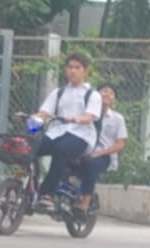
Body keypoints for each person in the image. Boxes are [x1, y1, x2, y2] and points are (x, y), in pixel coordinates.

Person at [29, 53, 99, 205]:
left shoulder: (92, 94)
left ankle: (48, 193)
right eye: (70, 67)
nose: (73, 71)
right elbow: (44, 113)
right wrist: (32, 122)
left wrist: (77, 118)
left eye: (77, 68)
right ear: (65, 70)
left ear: (85, 71)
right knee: (30, 145)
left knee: (62, 149)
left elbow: (90, 116)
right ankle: (28, 185)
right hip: (56, 132)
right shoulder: (58, 92)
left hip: (81, 136)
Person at [75, 83, 127, 215]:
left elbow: (120, 144)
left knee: (90, 165)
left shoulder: (117, 118)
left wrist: (99, 153)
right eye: (104, 91)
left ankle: (85, 203)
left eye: (110, 92)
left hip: (103, 156)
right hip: (83, 150)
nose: (107, 94)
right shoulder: (86, 115)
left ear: (114, 98)